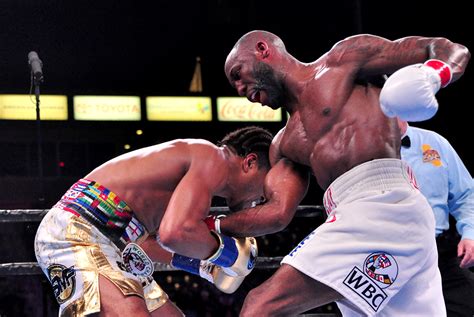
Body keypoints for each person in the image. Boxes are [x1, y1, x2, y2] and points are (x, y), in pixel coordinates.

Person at [215, 30, 470, 316]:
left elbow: (446, 48)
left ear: (263, 49)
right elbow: (276, 213)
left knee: (259, 306)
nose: (238, 87)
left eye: (238, 74)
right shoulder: (283, 144)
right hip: (368, 217)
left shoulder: (344, 60)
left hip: (386, 206)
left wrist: (434, 75)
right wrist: (215, 225)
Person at [34, 126, 272, 317]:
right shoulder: (212, 158)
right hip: (77, 229)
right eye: (266, 187)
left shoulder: (192, 189)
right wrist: (229, 255)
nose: (262, 199)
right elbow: (175, 234)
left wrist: (204, 266)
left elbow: (147, 242)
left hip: (115, 245)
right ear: (249, 163)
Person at [398, 119, 474, 316]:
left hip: (439, 253)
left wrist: (470, 234)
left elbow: (466, 194)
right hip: (389, 255)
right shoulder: (360, 149)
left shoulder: (434, 142)